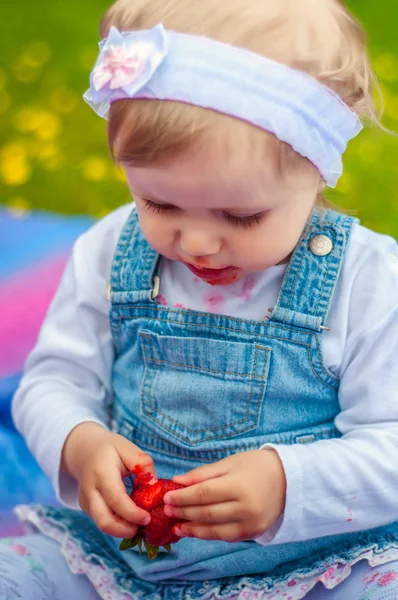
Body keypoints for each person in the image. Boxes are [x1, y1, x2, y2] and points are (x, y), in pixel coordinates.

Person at [3, 0, 398, 598]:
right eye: (159, 204)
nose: (198, 243)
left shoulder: (365, 281)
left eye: (242, 215)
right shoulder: (111, 250)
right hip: (120, 565)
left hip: (317, 570)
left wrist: (289, 485)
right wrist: (79, 445)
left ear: (316, 171)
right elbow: (53, 379)